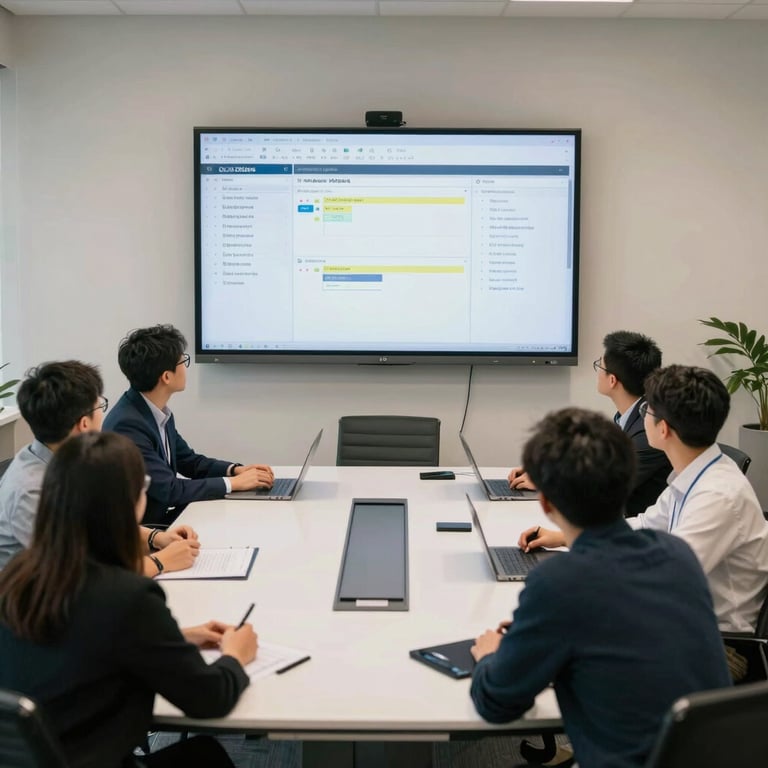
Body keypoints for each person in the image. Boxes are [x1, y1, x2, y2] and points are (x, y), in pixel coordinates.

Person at [471, 408, 731, 768]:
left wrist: (491, 655)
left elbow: (497, 704)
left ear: (545, 502)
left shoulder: (559, 583)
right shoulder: (678, 555)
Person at [0, 431, 257, 768]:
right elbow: (209, 699)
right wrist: (235, 657)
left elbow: (74, 644)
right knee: (206, 756)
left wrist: (176, 638)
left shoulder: (19, 574)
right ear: (129, 504)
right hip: (97, 757)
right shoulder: (128, 597)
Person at [522, 365, 768, 634]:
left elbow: (666, 577)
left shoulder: (718, 496)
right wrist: (567, 537)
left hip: (722, 644)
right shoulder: (695, 471)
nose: (642, 418)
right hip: (682, 620)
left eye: (645, 411)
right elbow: (645, 525)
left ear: (663, 429)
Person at [0, 361, 199, 577]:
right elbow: (78, 575)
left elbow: (96, 527)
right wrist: (160, 562)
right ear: (84, 424)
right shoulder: (30, 492)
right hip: (34, 602)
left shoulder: (67, 458)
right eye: (100, 406)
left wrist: (157, 538)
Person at [104, 325, 274, 525]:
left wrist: (235, 470)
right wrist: (233, 484)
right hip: (147, 532)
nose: (185, 367)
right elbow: (170, 490)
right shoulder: (128, 425)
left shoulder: (155, 411)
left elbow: (190, 462)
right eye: (182, 361)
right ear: (166, 377)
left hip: (165, 519)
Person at [509, 331, 670, 517]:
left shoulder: (647, 428)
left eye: (599, 367)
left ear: (612, 380)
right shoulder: (630, 416)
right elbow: (601, 465)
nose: (598, 373)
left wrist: (545, 482)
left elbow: (605, 484)